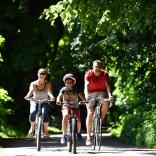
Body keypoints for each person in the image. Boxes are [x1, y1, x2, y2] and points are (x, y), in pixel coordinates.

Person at [84, 60, 113, 145]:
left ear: (101, 67)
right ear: (93, 67)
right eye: (96, 66)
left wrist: (110, 95)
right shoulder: (88, 74)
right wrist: (86, 95)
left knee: (106, 101)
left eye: (99, 67)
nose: (98, 68)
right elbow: (86, 85)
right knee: (90, 114)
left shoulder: (104, 74)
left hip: (101, 93)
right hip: (90, 93)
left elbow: (107, 85)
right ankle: (89, 137)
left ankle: (101, 118)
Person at [24, 68, 55, 138]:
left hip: (45, 101)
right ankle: (32, 128)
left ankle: (46, 131)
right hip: (35, 101)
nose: (41, 75)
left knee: (45, 113)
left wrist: (52, 97)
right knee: (33, 112)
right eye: (40, 73)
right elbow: (31, 92)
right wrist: (27, 96)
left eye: (43, 73)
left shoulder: (48, 83)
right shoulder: (33, 83)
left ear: (45, 75)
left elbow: (49, 92)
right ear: (37, 74)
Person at [56, 73, 86, 144]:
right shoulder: (63, 89)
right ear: (65, 83)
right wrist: (58, 101)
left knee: (78, 119)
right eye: (67, 82)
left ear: (73, 83)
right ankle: (64, 134)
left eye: (71, 82)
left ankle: (78, 134)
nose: (69, 84)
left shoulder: (76, 89)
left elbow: (81, 96)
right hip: (66, 106)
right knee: (66, 115)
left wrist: (84, 101)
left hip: (75, 106)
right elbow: (59, 96)